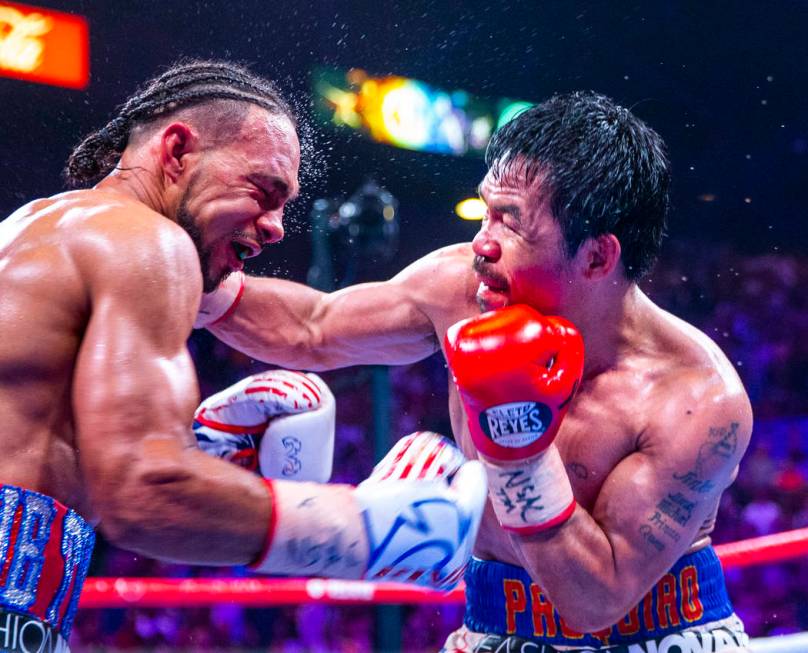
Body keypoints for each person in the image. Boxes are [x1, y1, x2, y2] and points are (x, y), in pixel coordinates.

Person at [198, 91, 754, 652]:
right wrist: (182, 270)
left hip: (655, 636)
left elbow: (597, 599)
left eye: (511, 224)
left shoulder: (697, 399)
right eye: (485, 209)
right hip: (494, 627)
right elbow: (311, 326)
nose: (481, 242)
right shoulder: (465, 289)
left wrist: (518, 450)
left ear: (596, 258)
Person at [0, 60, 485, 653]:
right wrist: (372, 527)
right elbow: (141, 493)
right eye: (263, 190)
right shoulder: (149, 243)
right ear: (177, 150)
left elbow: (310, 327)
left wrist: (202, 448)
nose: (279, 227)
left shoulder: (41, 230)